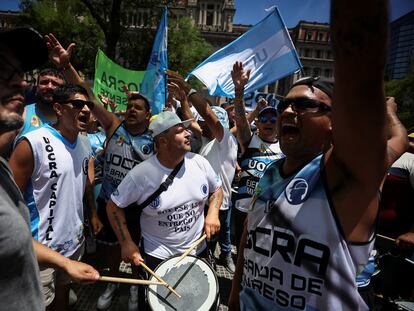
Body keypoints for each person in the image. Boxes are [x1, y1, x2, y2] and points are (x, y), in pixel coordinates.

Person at [229, 0, 390, 309]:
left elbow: (363, 72)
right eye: (284, 105)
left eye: (304, 105)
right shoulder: (270, 175)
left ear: (336, 123)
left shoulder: (343, 177)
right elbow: (250, 239)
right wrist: (235, 297)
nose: (288, 110)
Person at [0, 27, 99, 311]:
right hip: (40, 252)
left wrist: (89, 214)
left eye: (87, 106)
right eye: (77, 104)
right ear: (58, 108)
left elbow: (83, 184)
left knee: (62, 304)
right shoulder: (32, 143)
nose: (85, 110)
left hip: (72, 247)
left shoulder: (84, 142)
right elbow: (13, 201)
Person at [106, 111, 223, 271]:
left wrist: (213, 213)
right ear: (163, 141)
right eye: (180, 131)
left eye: (186, 129)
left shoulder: (200, 163)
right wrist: (127, 242)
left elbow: (217, 189)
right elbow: (113, 206)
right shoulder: (141, 174)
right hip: (157, 257)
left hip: (198, 250)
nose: (188, 133)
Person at [167, 72, 238, 273]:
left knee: (209, 245)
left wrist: (189, 90)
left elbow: (207, 117)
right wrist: (182, 101)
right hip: (200, 202)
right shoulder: (207, 140)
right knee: (199, 246)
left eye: (208, 124)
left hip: (218, 207)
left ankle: (209, 271)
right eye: (204, 124)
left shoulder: (226, 142)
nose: (203, 126)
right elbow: (191, 121)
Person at [231, 61, 284, 253]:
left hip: (269, 214)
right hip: (243, 209)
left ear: (278, 124)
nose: (268, 122)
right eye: (264, 119)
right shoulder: (249, 140)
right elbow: (240, 120)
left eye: (273, 119)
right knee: (241, 255)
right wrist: (239, 90)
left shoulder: (285, 149)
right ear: (258, 124)